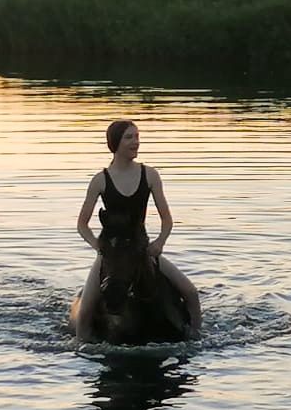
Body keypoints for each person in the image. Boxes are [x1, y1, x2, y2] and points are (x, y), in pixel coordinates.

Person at [75, 119, 202, 340]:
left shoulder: (150, 175)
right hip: (112, 253)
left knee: (191, 293)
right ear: (115, 143)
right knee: (84, 313)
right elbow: (82, 224)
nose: (136, 142)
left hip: (141, 250)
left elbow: (167, 220)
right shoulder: (100, 181)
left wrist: (159, 243)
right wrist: (99, 247)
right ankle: (80, 344)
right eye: (129, 137)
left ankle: (197, 336)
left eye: (137, 137)